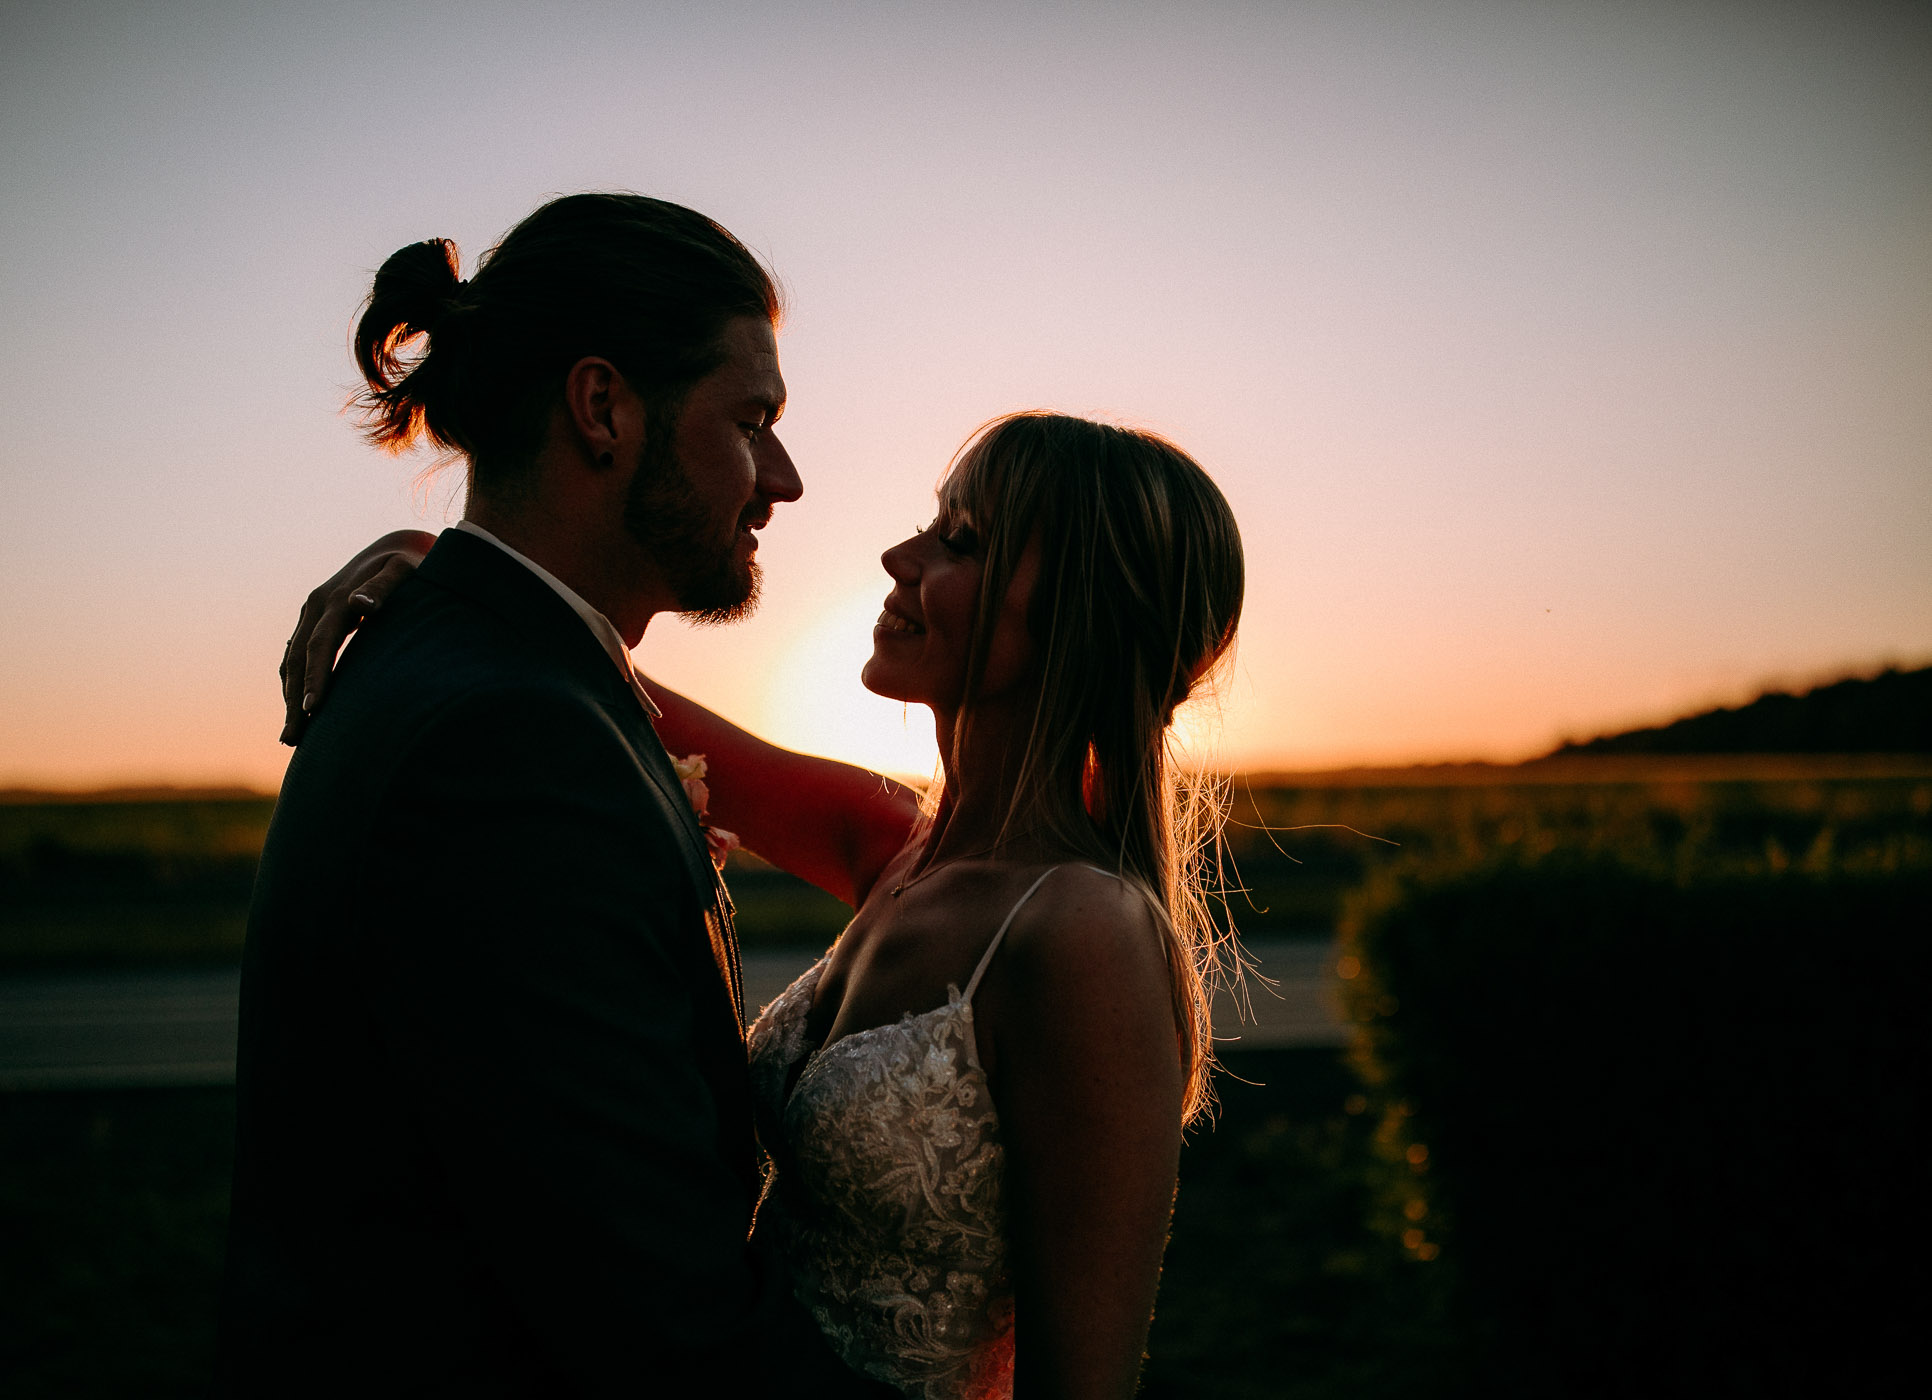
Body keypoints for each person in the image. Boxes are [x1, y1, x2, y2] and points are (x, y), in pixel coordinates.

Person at [290, 411, 1247, 1398]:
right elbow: (612, 696)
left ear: (1083, 613)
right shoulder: (900, 844)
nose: (899, 555)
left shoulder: (1080, 933)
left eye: (961, 539)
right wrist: (446, 569)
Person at [219, 192, 897, 1398]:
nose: (783, 477)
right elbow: (655, 1325)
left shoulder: (495, 672)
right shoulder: (510, 741)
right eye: (753, 419)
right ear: (603, 407)